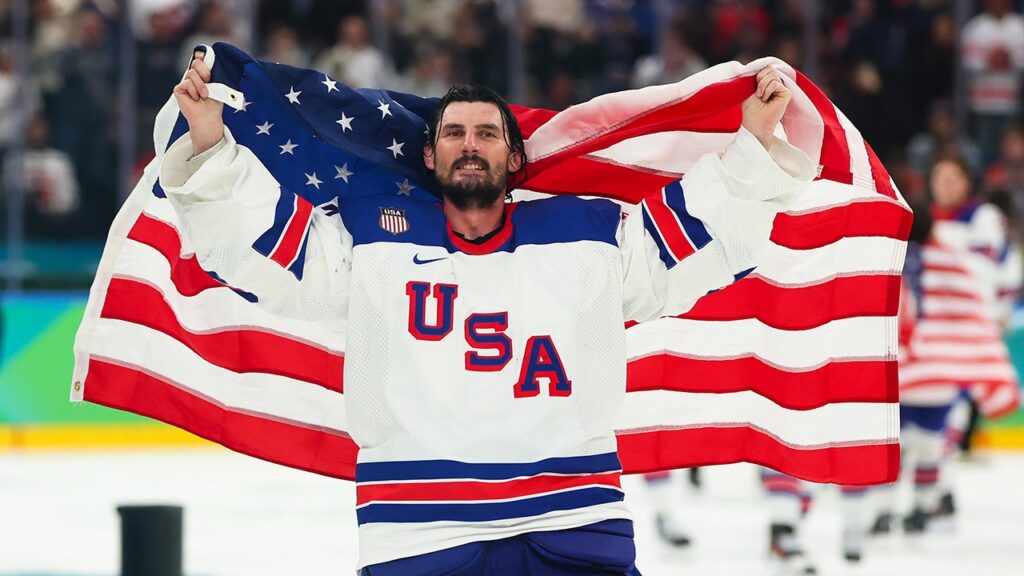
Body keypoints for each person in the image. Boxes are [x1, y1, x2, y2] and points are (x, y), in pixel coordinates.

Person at [167, 51, 813, 574]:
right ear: (429, 156)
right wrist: (209, 142)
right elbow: (269, 252)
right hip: (419, 532)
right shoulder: (370, 238)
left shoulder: (587, 233)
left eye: (486, 134)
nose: (469, 144)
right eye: (453, 133)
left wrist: (754, 143)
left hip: (575, 522)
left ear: (514, 158)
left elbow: (689, 241)